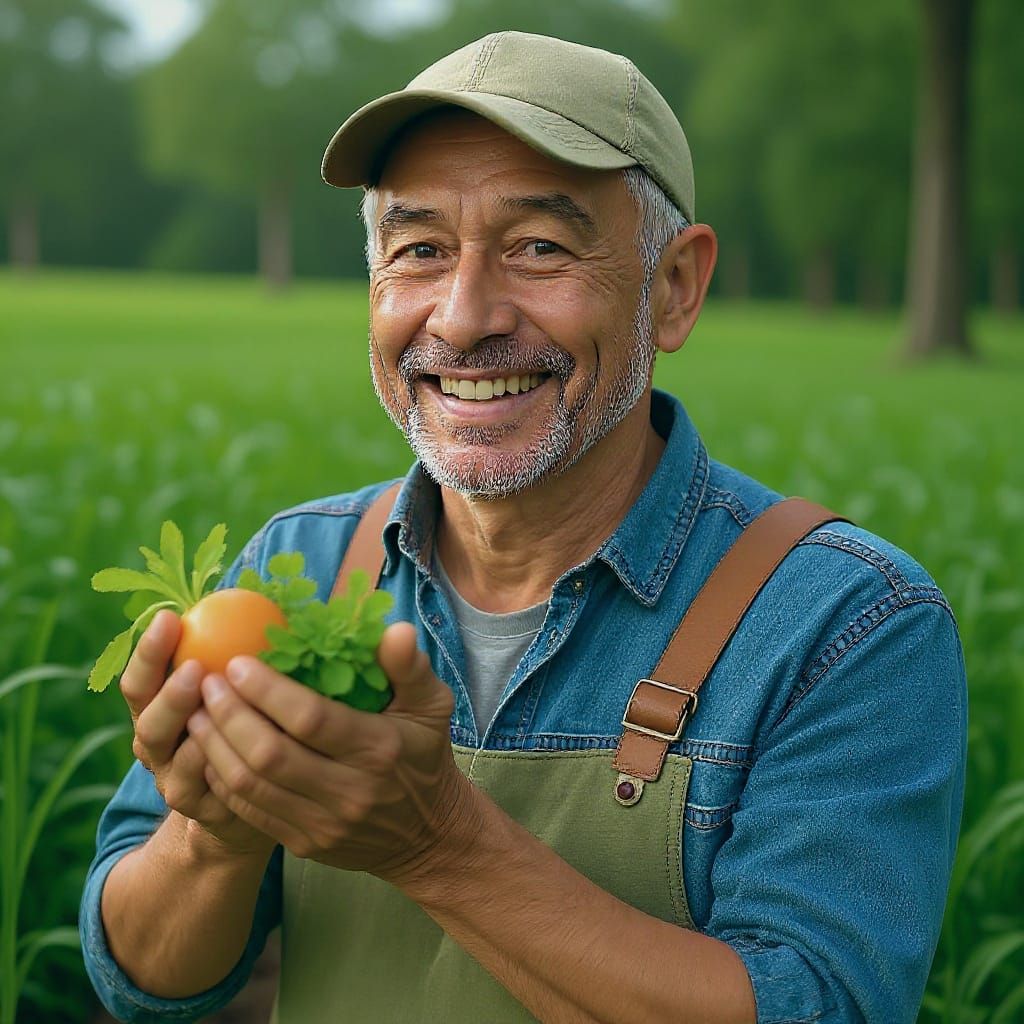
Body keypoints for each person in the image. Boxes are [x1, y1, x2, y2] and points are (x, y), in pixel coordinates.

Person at [81, 30, 967, 1024]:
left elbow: (820, 1007)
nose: (461, 319)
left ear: (673, 287)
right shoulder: (296, 569)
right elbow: (144, 983)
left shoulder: (842, 621)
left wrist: (437, 845)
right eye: (419, 250)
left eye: (538, 246)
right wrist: (216, 834)